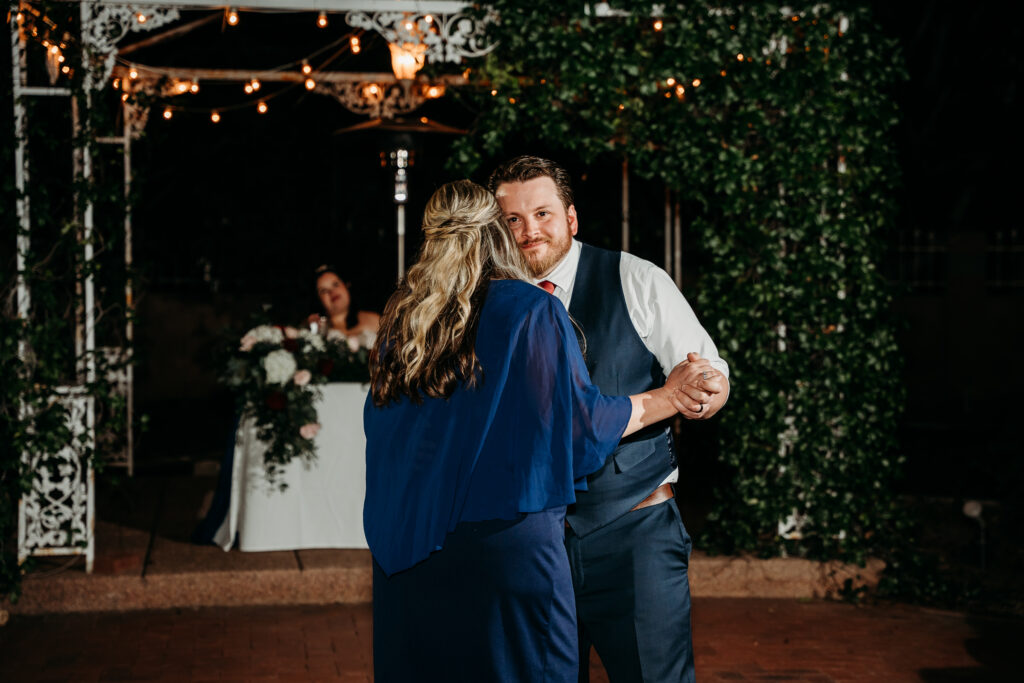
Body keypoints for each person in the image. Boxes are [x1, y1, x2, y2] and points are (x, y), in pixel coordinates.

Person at [363, 180, 716, 682]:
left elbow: (387, 435)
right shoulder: (529, 308)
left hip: (415, 551)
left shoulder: (405, 319)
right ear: (496, 234)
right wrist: (669, 398)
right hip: (507, 549)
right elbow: (576, 427)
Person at [489, 156, 731, 683]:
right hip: (533, 541)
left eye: (543, 214)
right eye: (513, 220)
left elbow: (706, 371)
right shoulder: (491, 302)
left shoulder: (636, 278)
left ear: (571, 218)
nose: (529, 231)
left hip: (634, 533)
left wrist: (705, 391)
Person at [307, 264, 380, 340]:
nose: (332, 292)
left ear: (346, 285)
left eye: (335, 284)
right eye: (324, 291)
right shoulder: (313, 329)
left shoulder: (375, 320)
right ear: (318, 300)